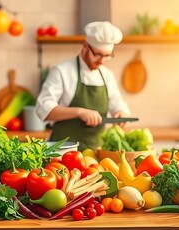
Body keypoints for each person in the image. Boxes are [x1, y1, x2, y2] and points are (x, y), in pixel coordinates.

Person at [35, 21, 131, 151]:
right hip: (62, 153)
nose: (101, 61)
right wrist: (79, 112)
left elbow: (118, 104)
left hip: (95, 153)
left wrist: (121, 113)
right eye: (97, 54)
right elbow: (43, 109)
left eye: (107, 56)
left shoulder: (107, 75)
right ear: (85, 46)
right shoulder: (62, 71)